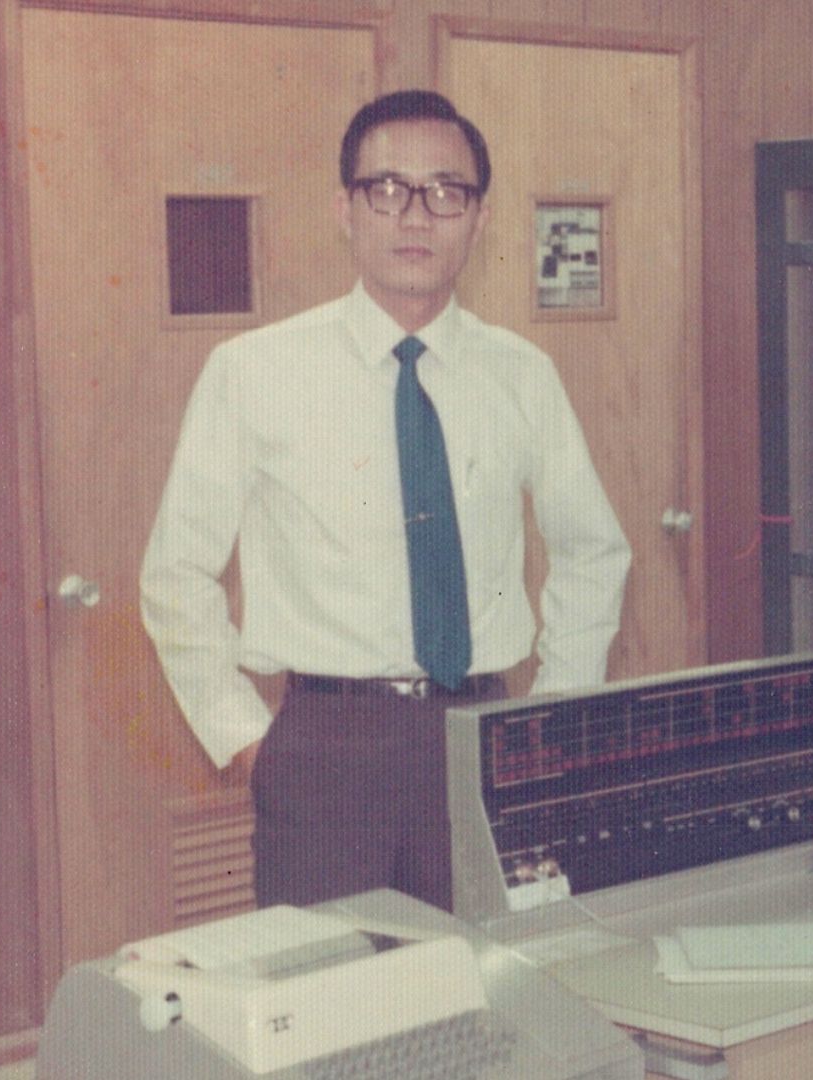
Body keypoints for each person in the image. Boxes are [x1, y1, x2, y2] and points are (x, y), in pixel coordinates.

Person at [140, 89, 631, 912]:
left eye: (446, 192)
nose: (416, 217)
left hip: (483, 736)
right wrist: (246, 740)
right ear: (346, 209)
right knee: (331, 982)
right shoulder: (254, 371)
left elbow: (593, 550)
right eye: (388, 189)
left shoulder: (521, 375)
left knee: (486, 973)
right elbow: (175, 572)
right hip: (324, 750)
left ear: (478, 218)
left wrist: (548, 715)